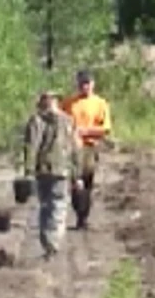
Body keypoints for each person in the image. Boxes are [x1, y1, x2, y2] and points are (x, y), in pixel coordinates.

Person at [19, 90, 78, 260]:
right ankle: (51, 240)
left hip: (51, 168)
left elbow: (31, 147)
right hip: (52, 169)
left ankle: (50, 241)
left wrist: (29, 170)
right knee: (52, 205)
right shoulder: (62, 120)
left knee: (51, 205)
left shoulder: (42, 120)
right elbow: (32, 147)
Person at [60, 68, 113, 231]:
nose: (85, 87)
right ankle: (79, 214)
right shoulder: (69, 103)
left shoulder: (100, 103)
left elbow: (106, 128)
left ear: (93, 84)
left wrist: (86, 130)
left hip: (90, 147)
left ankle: (84, 216)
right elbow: (61, 123)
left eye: (88, 83)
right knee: (75, 182)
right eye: (82, 83)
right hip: (72, 148)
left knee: (87, 181)